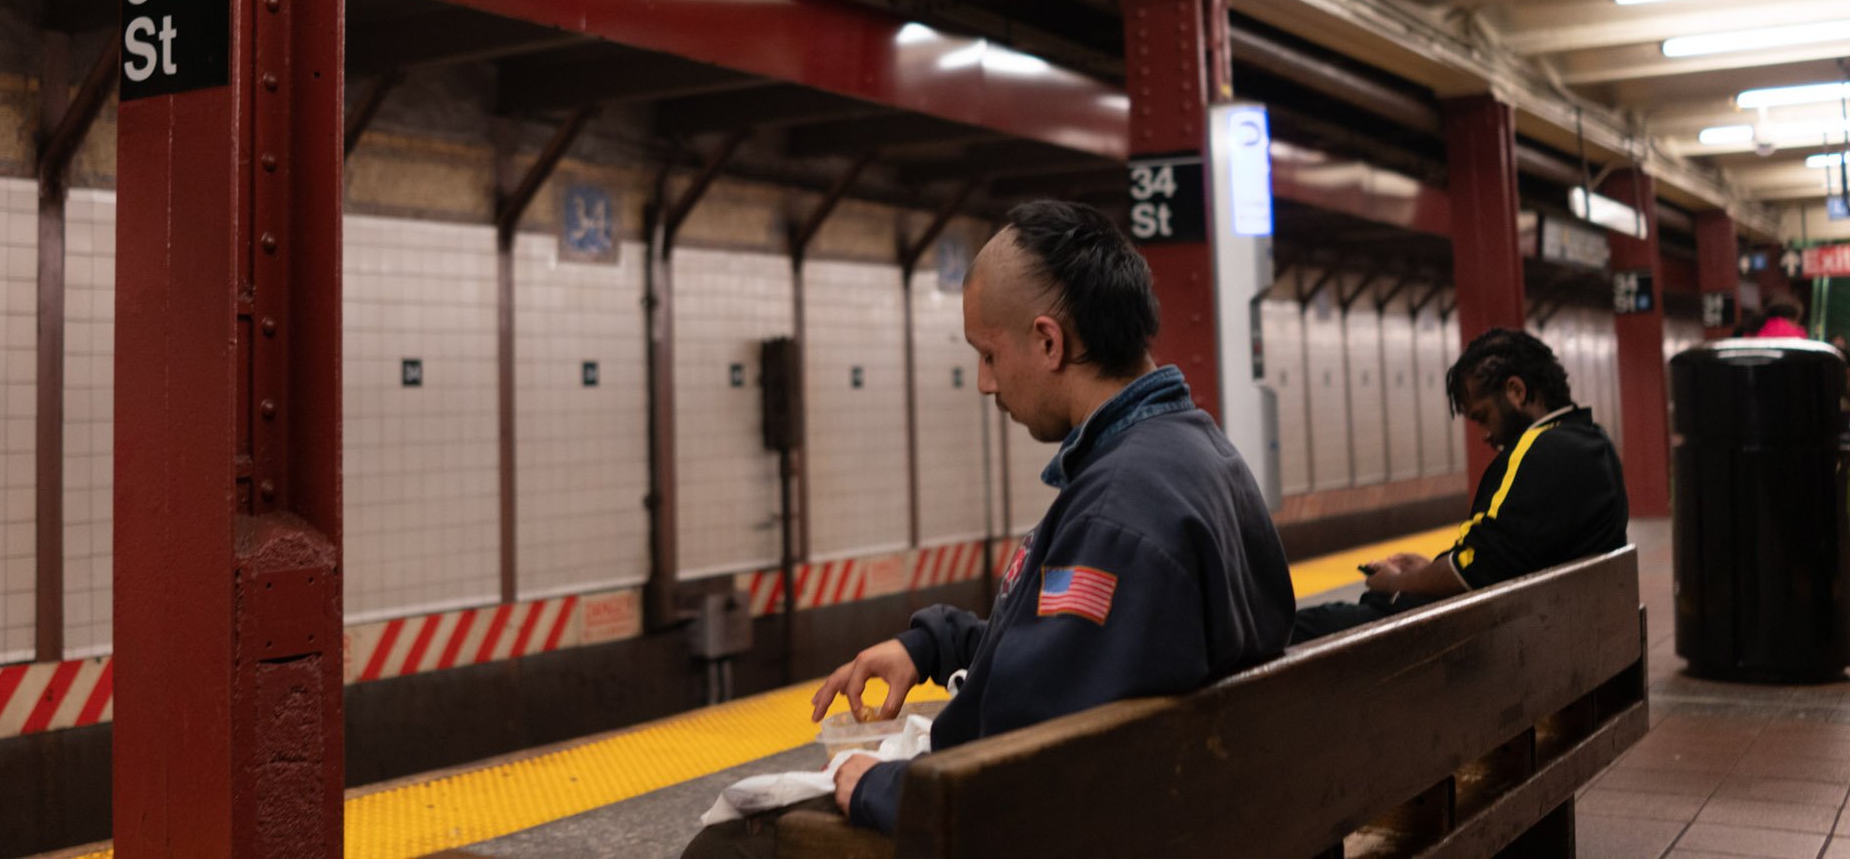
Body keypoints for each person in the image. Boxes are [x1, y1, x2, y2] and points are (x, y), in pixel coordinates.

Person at [683, 200, 1294, 854]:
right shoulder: (1197, 453)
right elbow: (1091, 656)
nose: (983, 383)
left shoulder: (1116, 512)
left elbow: (1023, 777)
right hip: (1205, 809)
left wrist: (874, 785)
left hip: (1111, 830)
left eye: (990, 356)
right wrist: (936, 646)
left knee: (730, 847)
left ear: (1049, 341)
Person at [1291, 327, 1628, 642]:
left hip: (1504, 641)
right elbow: (1502, 554)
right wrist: (1431, 570)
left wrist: (1399, 581)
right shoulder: (1593, 440)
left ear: (1516, 391)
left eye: (1482, 416)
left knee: (1305, 627)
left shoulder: (1536, 450)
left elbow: (1477, 572)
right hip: (1561, 624)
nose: (1485, 435)